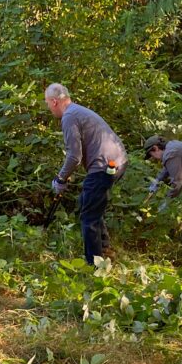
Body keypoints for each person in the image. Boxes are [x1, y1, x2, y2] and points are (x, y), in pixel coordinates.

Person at [45, 83, 128, 264]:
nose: (49, 108)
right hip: (118, 161)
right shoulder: (77, 111)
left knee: (88, 216)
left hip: (104, 166)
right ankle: (105, 249)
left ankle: (94, 265)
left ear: (54, 101)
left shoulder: (68, 117)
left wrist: (60, 178)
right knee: (88, 202)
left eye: (47, 104)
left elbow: (74, 156)